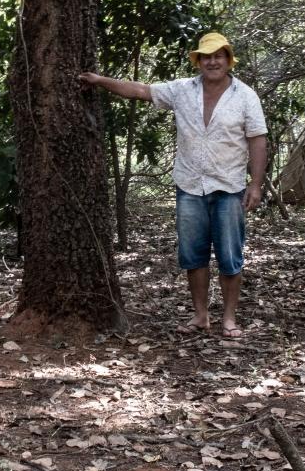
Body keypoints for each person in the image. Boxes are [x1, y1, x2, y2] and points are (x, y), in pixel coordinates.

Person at [79, 32, 267, 338]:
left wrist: (255, 185)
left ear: (228, 60)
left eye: (218, 56)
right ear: (198, 61)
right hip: (190, 185)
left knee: (230, 257)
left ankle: (229, 318)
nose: (212, 62)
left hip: (229, 187)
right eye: (206, 57)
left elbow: (257, 139)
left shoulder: (245, 96)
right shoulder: (182, 90)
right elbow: (139, 90)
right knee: (193, 256)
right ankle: (201, 316)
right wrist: (100, 81)